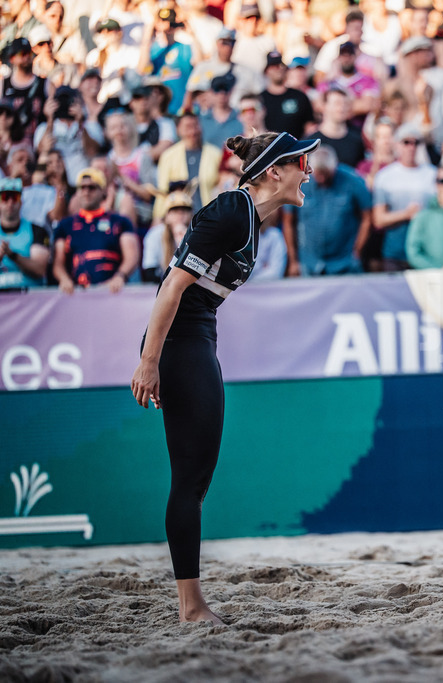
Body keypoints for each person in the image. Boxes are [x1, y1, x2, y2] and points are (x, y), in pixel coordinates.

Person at [130, 130, 321, 624]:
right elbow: (171, 286)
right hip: (178, 342)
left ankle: (192, 603)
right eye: (302, 162)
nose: (310, 171)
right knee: (189, 480)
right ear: (273, 172)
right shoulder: (232, 210)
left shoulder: (253, 219)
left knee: (197, 478)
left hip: (196, 338)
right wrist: (149, 362)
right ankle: (191, 608)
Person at [282, 145, 372, 276]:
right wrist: (293, 260)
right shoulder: (298, 183)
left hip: (344, 262)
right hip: (309, 261)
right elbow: (288, 221)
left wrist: (357, 251)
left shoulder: (353, 181)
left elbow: (367, 217)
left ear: (335, 166)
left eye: (326, 174)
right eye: (318, 174)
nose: (322, 179)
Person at [52, 168, 139, 294]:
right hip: (76, 294)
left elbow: (132, 256)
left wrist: (120, 276)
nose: (86, 192)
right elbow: (58, 261)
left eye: (92, 187)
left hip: (112, 292)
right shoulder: (65, 225)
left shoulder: (120, 221)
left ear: (103, 191)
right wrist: (64, 279)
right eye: (82, 188)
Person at [372, 123, 437, 271]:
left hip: (426, 251)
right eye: (406, 142)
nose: (411, 147)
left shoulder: (432, 174)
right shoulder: (385, 176)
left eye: (416, 142)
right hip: (395, 252)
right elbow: (379, 219)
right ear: (397, 144)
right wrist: (406, 214)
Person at [155, 112, 222, 220]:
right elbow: (163, 191)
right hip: (179, 217)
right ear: (178, 130)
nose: (193, 131)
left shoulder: (215, 154)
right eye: (187, 127)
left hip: (210, 216)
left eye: (196, 125)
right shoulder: (168, 156)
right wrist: (158, 217)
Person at [0, 177, 48, 290]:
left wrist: (13, 255)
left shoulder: (37, 230)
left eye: (14, 197)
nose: (10, 203)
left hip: (28, 299)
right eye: (5, 197)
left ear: (21, 201)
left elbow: (40, 269)